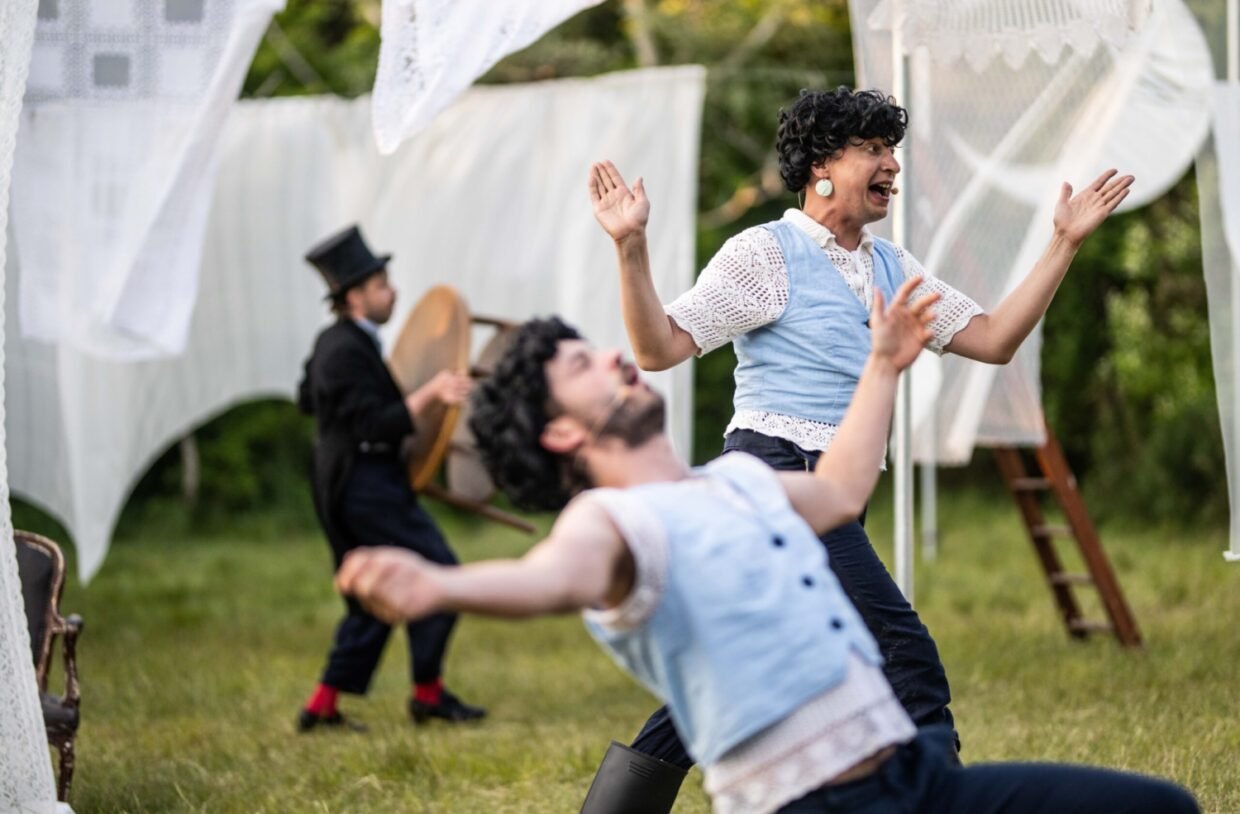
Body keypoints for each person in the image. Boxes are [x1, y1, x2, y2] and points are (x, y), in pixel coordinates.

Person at [335, 306, 1197, 814]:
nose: (616, 355)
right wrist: (438, 582)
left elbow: (842, 489)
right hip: (820, 806)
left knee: (1161, 808)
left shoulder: (738, 481)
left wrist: (883, 365)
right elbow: (548, 579)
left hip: (917, 779)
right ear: (561, 432)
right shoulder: (611, 522)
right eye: (583, 363)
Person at [582, 86, 1134, 806]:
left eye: (891, 150)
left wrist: (1063, 242)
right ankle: (945, 798)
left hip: (837, 488)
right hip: (774, 474)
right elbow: (659, 349)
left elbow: (995, 339)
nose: (892, 165)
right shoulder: (765, 254)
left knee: (756, 664)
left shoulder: (890, 264)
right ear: (820, 165)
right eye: (872, 149)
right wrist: (630, 246)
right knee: (902, 652)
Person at [294, 224, 485, 731]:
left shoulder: (339, 342)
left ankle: (321, 707)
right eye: (381, 285)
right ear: (355, 297)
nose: (393, 292)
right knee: (439, 573)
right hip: (363, 485)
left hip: (351, 481)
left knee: (371, 596)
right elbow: (373, 424)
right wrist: (431, 393)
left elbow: (307, 398)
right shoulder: (343, 348)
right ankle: (428, 696)